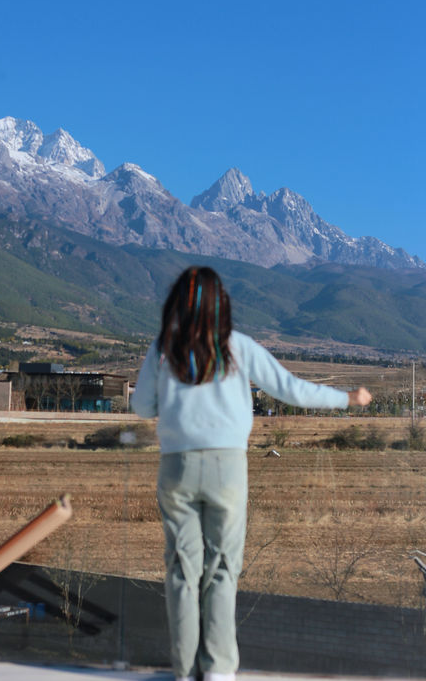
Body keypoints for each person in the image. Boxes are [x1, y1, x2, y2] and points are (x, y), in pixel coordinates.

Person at [131, 266, 371, 681]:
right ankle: (219, 671)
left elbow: (141, 408)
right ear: (221, 304)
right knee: (222, 568)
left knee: (182, 571)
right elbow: (290, 388)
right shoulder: (238, 347)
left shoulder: (163, 348)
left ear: (177, 303)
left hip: (177, 468)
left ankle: (185, 671)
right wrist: (347, 398)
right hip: (227, 469)